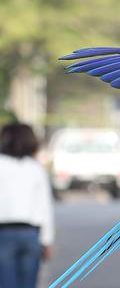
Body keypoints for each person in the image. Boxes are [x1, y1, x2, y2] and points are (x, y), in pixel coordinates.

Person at [0, 123, 54, 288]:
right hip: (30, 234)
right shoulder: (36, 168)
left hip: (4, 234)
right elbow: (45, 207)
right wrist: (47, 240)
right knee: (28, 284)